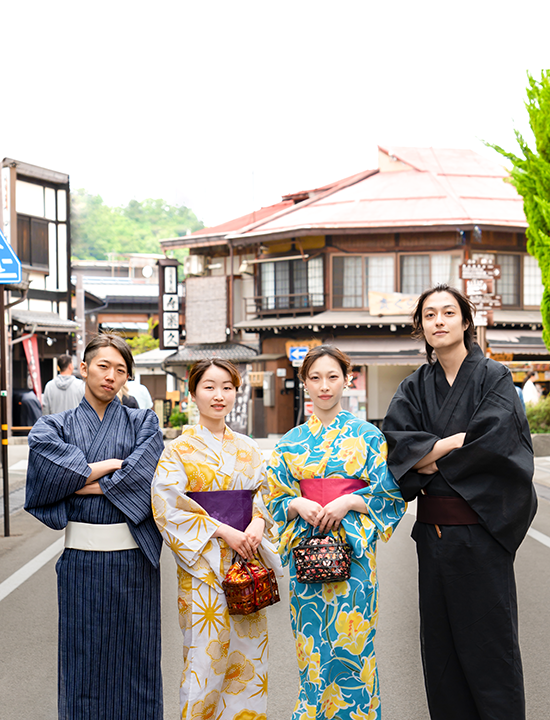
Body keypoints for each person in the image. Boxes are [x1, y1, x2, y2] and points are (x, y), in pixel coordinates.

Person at [382, 284, 537, 720]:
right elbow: (396, 445)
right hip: (432, 540)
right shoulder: (413, 387)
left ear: (465, 321)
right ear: (421, 326)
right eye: (429, 315)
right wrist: (448, 444)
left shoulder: (495, 378)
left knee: (491, 647)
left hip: (482, 533)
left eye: (448, 312)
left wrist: (428, 456)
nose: (438, 321)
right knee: (441, 650)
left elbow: (495, 444)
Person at [25, 334, 165, 720]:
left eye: (121, 370)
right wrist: (108, 467)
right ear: (84, 368)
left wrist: (80, 481)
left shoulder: (143, 422)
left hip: (134, 560)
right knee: (82, 659)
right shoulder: (53, 427)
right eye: (104, 366)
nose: (111, 376)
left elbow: (144, 477)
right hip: (81, 562)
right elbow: (46, 478)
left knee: (137, 661)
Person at [266, 345, 405, 720]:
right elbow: (275, 497)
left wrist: (348, 503)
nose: (324, 386)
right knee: (312, 648)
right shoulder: (290, 442)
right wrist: (297, 505)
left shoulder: (369, 437)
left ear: (347, 379)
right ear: (304, 383)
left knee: (354, 644)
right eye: (315, 378)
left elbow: (390, 496)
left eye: (332, 377)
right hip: (306, 555)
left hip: (355, 559)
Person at [152, 357, 282, 720]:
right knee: (205, 657)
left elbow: (267, 492)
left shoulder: (248, 447)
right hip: (203, 568)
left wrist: (258, 522)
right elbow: (168, 505)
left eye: (227, 387)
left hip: (246, 562)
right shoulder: (178, 450)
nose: (219, 395)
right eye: (209, 387)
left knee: (250, 655)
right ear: (192, 393)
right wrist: (222, 530)